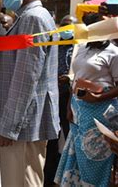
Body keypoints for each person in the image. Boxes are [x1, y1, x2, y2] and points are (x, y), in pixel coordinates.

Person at [0, 0, 60, 186]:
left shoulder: (33, 19)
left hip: (21, 123)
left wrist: (9, 126)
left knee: (20, 179)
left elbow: (26, 76)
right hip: (24, 119)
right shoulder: (31, 17)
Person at [55, 13, 118, 186]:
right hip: (79, 110)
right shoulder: (82, 47)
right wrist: (70, 106)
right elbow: (76, 78)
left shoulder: (114, 52)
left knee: (95, 158)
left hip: (101, 113)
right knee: (79, 155)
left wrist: (99, 97)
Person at [44, 15, 77, 186]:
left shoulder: (80, 46)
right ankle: (51, 172)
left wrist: (69, 78)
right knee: (53, 136)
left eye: (70, 26)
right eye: (64, 25)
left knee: (69, 135)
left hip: (70, 97)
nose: (66, 30)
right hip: (53, 95)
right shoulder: (54, 43)